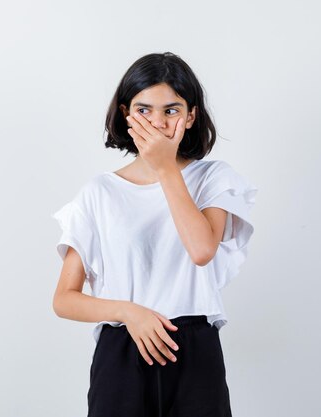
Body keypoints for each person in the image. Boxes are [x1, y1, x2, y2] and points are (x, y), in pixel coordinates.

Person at [51, 52, 258, 417]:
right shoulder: (99, 192)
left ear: (191, 115)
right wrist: (129, 312)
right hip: (122, 350)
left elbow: (201, 250)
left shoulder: (213, 179)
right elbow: (64, 299)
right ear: (125, 113)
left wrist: (165, 168)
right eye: (144, 110)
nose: (158, 123)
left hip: (193, 349)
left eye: (171, 110)